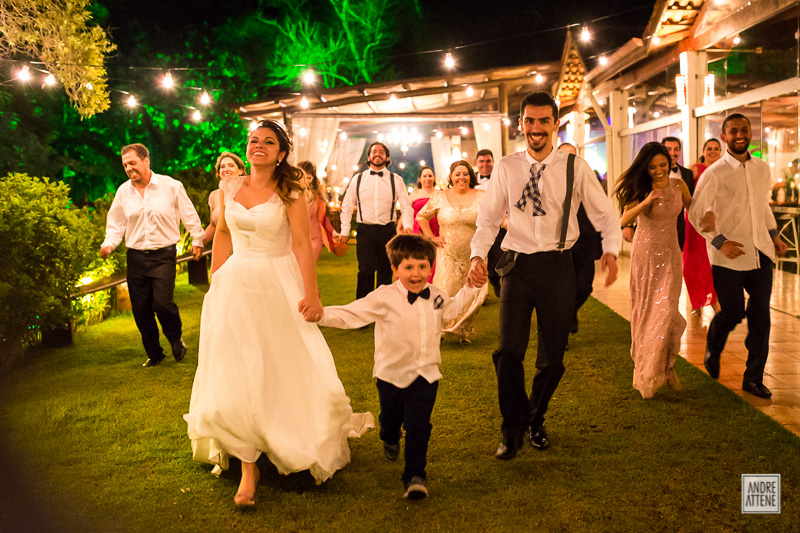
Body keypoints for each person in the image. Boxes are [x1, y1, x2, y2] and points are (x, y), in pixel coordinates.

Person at [184, 120, 373, 507]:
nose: (258, 146)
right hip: (235, 285)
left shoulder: (291, 191)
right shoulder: (229, 187)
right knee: (235, 365)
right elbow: (222, 233)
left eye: (268, 142)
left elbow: (302, 245)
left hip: (276, 282)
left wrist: (312, 293)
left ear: (281, 153)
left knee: (280, 362)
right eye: (254, 141)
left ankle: (282, 435)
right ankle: (247, 464)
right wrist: (217, 279)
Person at [467, 91, 621, 460]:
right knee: (507, 352)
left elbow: (604, 214)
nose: (536, 129)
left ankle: (534, 418)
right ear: (520, 124)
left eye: (543, 121)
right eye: (529, 121)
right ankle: (513, 427)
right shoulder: (506, 167)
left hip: (558, 266)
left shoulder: (575, 167)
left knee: (552, 358)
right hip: (517, 266)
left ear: (555, 124)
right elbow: (488, 219)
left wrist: (612, 249)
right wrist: (476, 255)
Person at [312, 234, 482, 499]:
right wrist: (320, 315)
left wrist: (470, 288)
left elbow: (451, 311)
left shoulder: (435, 295)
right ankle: (389, 436)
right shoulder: (384, 297)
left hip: (426, 374)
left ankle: (415, 476)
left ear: (430, 267)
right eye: (409, 267)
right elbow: (351, 314)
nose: (417, 274)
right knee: (390, 421)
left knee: (419, 425)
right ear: (395, 269)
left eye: (423, 266)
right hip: (389, 375)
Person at [689, 113, 787, 399]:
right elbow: (696, 214)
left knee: (761, 317)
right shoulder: (714, 172)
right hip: (727, 258)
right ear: (724, 137)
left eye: (744, 130)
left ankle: (753, 378)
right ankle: (713, 345)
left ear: (750, 133)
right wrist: (720, 242)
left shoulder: (762, 169)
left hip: (760, 255)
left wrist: (774, 235)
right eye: (734, 131)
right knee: (732, 312)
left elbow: (762, 206)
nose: (740, 134)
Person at [100, 143, 205, 367]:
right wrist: (109, 244)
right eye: (125, 165)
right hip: (136, 257)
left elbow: (189, 214)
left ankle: (176, 339)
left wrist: (198, 239)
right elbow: (116, 224)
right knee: (140, 309)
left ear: (146, 160)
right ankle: (155, 354)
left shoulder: (171, 186)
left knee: (162, 304)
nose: (129, 168)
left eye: (133, 163)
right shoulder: (123, 192)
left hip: (163, 255)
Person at [614, 142, 692, 398]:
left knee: (668, 312)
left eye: (662, 165)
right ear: (645, 168)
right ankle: (650, 369)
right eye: (652, 167)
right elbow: (625, 220)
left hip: (671, 253)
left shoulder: (679, 186)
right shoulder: (642, 188)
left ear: (670, 162)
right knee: (648, 313)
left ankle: (667, 365)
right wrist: (646, 201)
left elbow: (695, 208)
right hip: (646, 255)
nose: (659, 171)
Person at [417, 160, 489, 343]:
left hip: (473, 254)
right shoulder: (439, 197)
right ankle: (438, 329)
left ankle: (461, 329)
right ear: (451, 177)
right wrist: (431, 237)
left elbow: (495, 217)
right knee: (444, 290)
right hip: (447, 254)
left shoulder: (482, 195)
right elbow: (421, 216)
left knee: (470, 293)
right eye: (457, 174)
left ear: (470, 176)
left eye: (465, 174)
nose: (461, 177)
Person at [335, 142, 413, 299]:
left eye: (381, 151)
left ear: (387, 157)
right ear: (369, 156)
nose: (378, 154)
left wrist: (408, 226)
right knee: (365, 271)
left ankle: (383, 311)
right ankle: (363, 312)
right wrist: (344, 230)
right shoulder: (358, 179)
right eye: (374, 151)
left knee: (385, 271)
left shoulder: (395, 180)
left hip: (387, 230)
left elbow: (406, 206)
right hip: (365, 231)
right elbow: (347, 206)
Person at [558, 143, 603, 336]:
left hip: (585, 242)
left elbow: (601, 208)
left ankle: (569, 313)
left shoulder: (589, 178)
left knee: (585, 286)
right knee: (562, 289)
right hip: (559, 245)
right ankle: (563, 326)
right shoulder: (549, 181)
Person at [683, 139, 722, 314]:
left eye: (716, 149)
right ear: (703, 151)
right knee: (693, 264)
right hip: (695, 221)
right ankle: (697, 301)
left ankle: (714, 299)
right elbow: (685, 195)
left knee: (712, 263)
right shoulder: (695, 170)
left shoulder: (723, 170)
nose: (713, 151)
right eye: (709, 148)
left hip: (718, 221)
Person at [474, 149, 505, 298]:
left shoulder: (501, 178)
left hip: (499, 224)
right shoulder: (470, 180)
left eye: (488, 161)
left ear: (493, 162)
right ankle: (483, 288)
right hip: (476, 224)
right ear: (476, 163)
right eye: (481, 161)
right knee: (481, 256)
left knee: (498, 255)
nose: (485, 164)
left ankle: (497, 281)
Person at [204, 152, 247, 247]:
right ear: (219, 173)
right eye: (222, 167)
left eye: (231, 166)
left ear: (240, 170)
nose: (226, 169)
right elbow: (213, 225)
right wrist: (199, 243)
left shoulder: (248, 191)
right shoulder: (214, 195)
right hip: (223, 246)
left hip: (244, 247)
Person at [662, 136, 695, 250]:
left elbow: (691, 202)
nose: (673, 153)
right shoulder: (651, 174)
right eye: (668, 149)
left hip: (678, 228)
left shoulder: (687, 174)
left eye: (676, 149)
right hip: (655, 228)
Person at [294, 160, 328, 261]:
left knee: (309, 269)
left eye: (308, 177)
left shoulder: (317, 193)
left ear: (313, 178)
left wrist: (332, 233)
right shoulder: (291, 192)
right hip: (295, 237)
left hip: (314, 237)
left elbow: (322, 217)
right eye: (302, 177)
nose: (305, 180)